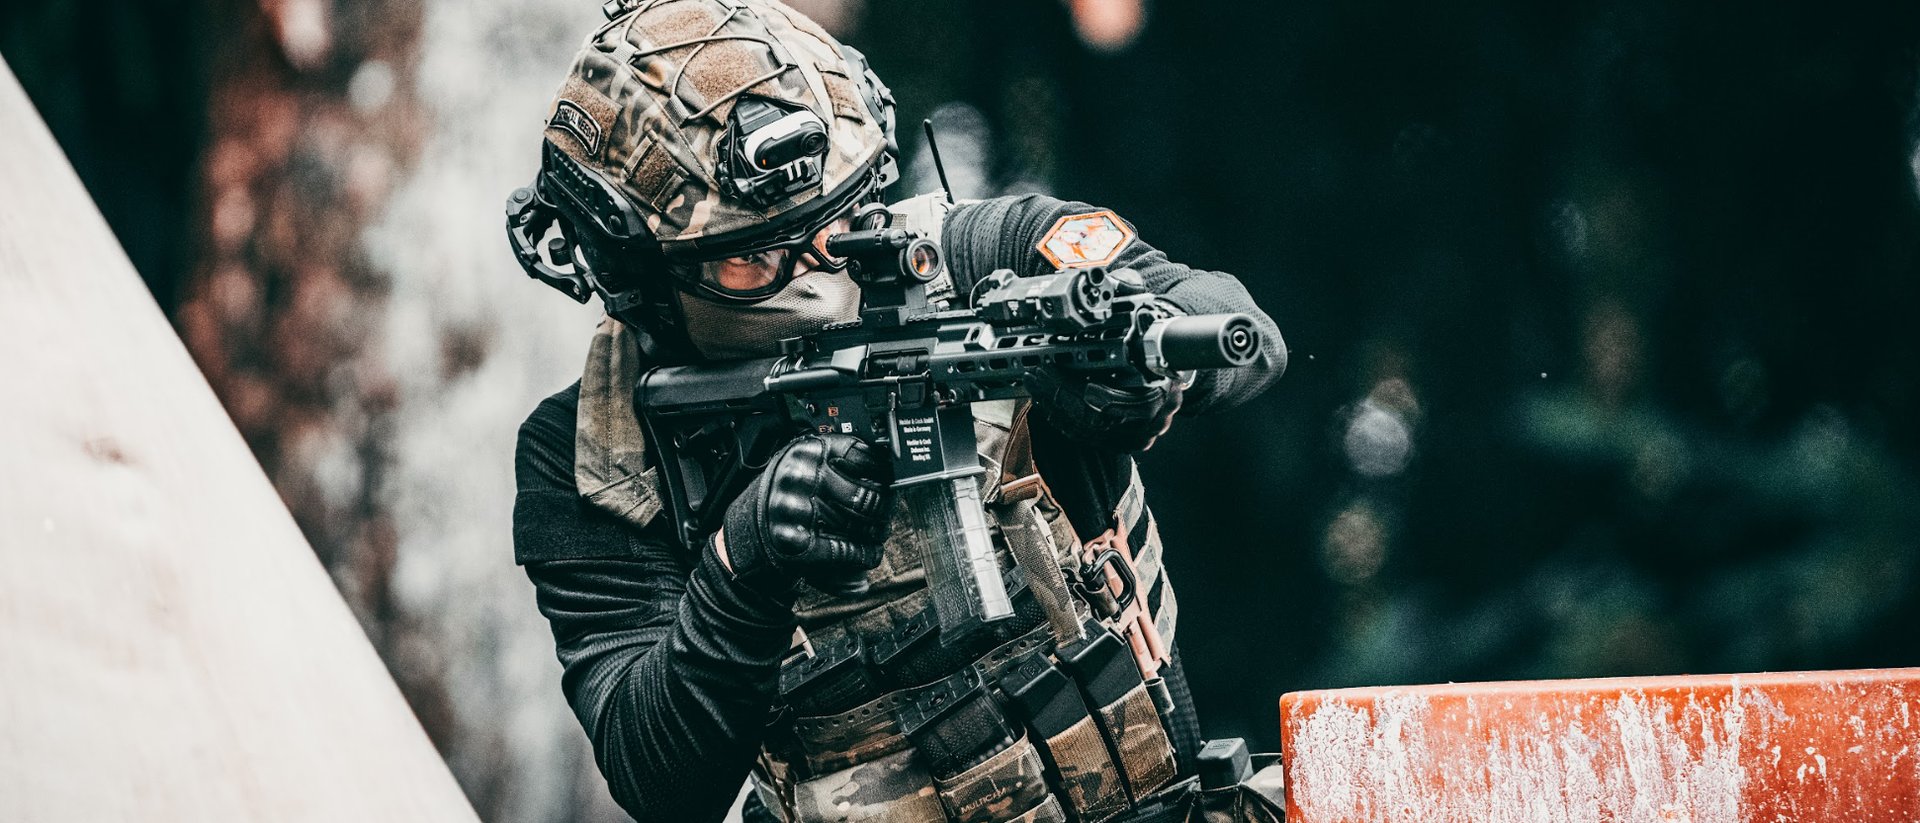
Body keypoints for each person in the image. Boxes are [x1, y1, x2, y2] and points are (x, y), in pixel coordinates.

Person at [505, 2, 1287, 820]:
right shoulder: (596, 453)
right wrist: (743, 569)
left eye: (837, 223)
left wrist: (1146, 373)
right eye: (753, 257)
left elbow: (1236, 327)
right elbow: (659, 780)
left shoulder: (989, 253)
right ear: (638, 273)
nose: (817, 269)